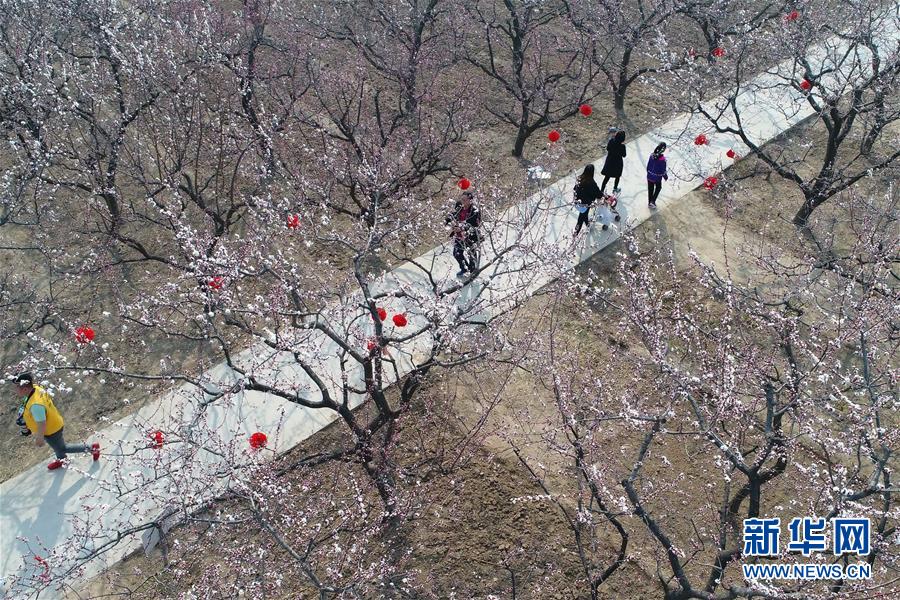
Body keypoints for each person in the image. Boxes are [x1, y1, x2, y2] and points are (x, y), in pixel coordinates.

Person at [13, 373, 100, 470]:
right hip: (54, 422)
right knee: (57, 446)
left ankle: (92, 448)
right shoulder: (36, 388)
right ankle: (62, 459)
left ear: (25, 389)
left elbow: (41, 423)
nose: (15, 390)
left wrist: (40, 438)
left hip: (51, 430)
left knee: (62, 448)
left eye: (17, 387)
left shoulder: (35, 405)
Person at [446, 192, 481, 278]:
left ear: (470, 200)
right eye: (462, 199)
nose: (463, 201)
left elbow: (474, 224)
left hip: (470, 235)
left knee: (471, 254)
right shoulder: (459, 207)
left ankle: (473, 271)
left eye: (465, 200)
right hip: (459, 235)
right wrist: (449, 221)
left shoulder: (474, 211)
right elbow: (452, 216)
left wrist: (462, 228)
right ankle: (464, 268)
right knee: (457, 253)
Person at [573, 164, 602, 236]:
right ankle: (576, 233)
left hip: (579, 202)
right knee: (581, 218)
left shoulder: (579, 178)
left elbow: (575, 188)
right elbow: (597, 192)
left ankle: (587, 224)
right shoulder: (591, 183)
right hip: (586, 204)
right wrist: (603, 196)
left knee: (584, 214)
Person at [600, 130, 627, 195]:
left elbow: (607, 149)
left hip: (610, 161)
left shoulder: (611, 141)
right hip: (617, 163)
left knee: (607, 177)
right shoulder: (622, 146)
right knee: (617, 176)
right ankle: (615, 188)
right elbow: (624, 155)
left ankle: (602, 190)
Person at [646, 142, 668, 208]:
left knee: (650, 189)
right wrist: (665, 177)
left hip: (649, 176)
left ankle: (650, 202)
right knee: (658, 187)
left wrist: (649, 172)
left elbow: (648, 166)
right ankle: (652, 201)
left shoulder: (651, 155)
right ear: (663, 150)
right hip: (657, 178)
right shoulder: (662, 160)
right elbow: (663, 170)